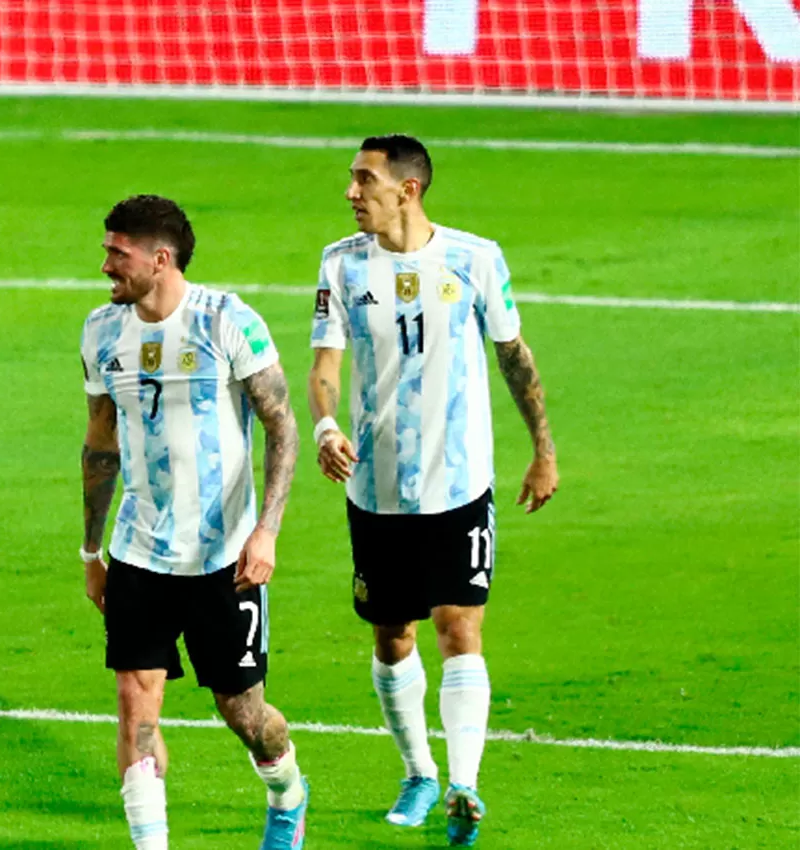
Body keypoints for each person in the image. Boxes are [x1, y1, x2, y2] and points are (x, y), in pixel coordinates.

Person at [306, 135, 559, 846]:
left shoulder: (475, 259)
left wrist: (543, 449)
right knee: (393, 637)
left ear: (407, 190)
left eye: (364, 179)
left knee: (460, 627)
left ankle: (463, 785)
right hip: (377, 487)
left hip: (458, 481)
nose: (351, 192)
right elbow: (325, 363)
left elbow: (513, 355)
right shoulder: (340, 263)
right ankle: (418, 770)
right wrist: (326, 426)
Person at [80, 195, 309, 850]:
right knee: (135, 706)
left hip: (224, 559)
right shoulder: (101, 332)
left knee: (244, 713)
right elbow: (100, 443)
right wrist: (92, 549)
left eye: (116, 254)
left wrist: (267, 529)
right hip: (139, 554)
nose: (105, 266)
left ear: (160, 259)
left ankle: (287, 790)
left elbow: (281, 428)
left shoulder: (226, 321)